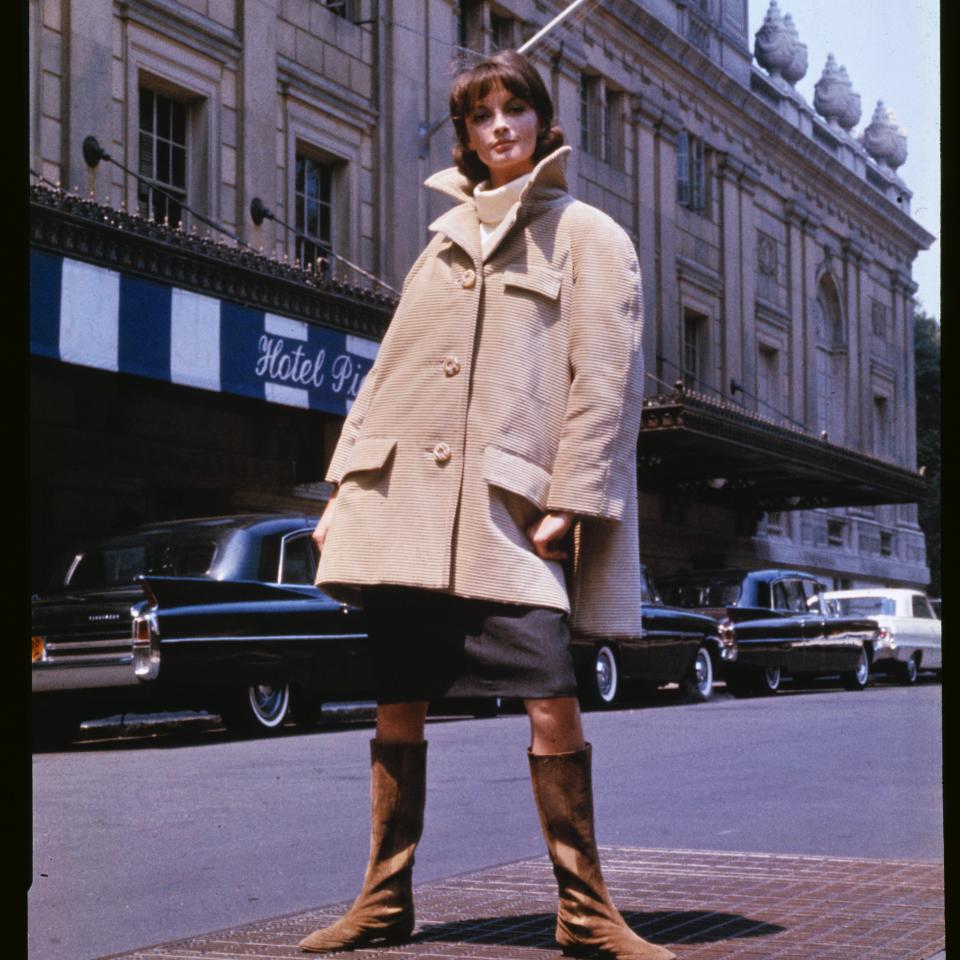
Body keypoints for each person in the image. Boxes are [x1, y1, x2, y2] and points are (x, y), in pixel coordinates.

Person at [300, 49, 675, 960]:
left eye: (514, 109)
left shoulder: (591, 235)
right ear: (466, 133)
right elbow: (389, 376)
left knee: (551, 698)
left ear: (543, 123)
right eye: (480, 115)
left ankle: (586, 913)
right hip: (407, 512)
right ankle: (383, 904)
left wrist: (576, 497)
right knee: (398, 703)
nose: (498, 126)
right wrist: (348, 490)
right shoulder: (442, 240)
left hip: (509, 514)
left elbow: (606, 383)